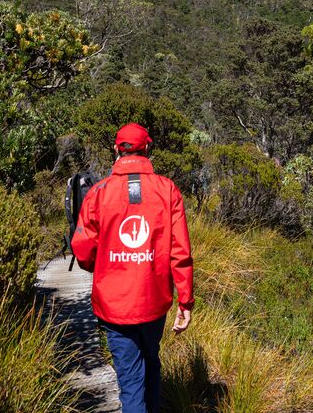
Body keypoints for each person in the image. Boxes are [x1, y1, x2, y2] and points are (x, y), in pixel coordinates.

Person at [72, 122, 194, 413]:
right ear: (148, 149)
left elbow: (83, 250)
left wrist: (101, 265)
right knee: (151, 362)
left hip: (114, 307)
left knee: (130, 379)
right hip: (154, 303)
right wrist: (186, 301)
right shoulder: (167, 190)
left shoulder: (98, 193)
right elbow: (181, 252)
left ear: (116, 149)